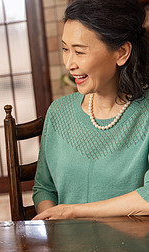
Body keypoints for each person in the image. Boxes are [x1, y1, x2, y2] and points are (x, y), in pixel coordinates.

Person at [32, 0, 149, 220]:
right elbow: (45, 188)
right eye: (66, 49)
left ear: (122, 52)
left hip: (132, 251)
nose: (69, 64)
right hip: (69, 250)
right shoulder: (59, 112)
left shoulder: (146, 115)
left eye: (79, 51)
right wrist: (55, 228)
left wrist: (74, 212)